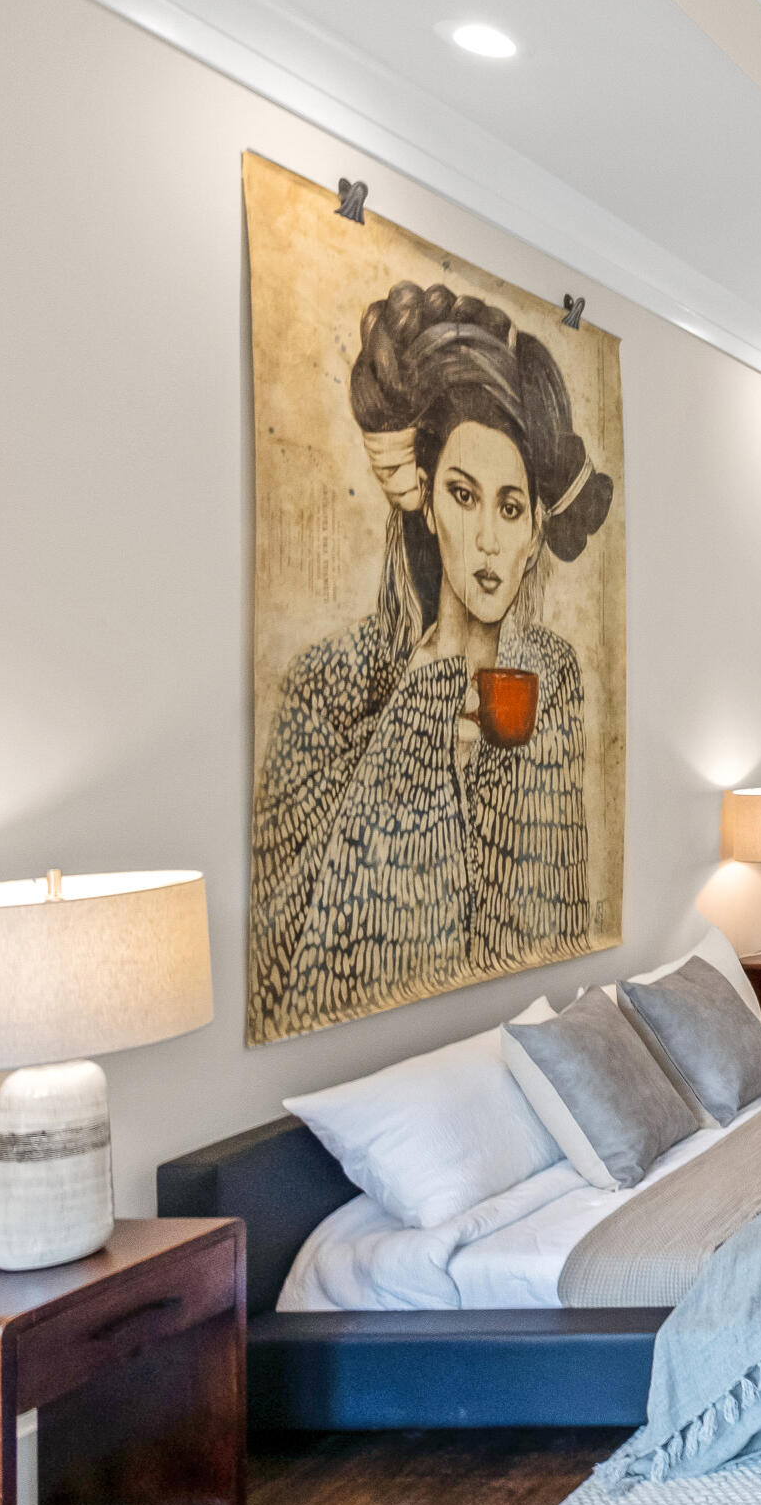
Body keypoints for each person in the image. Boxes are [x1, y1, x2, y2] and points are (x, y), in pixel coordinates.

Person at [250, 281, 616, 1042]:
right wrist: (420, 708)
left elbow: (558, 908)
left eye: (510, 508)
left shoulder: (553, 675)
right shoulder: (331, 687)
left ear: (533, 531)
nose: (487, 539)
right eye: (463, 494)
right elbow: (293, 965)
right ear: (426, 502)